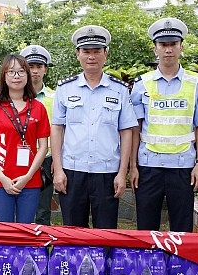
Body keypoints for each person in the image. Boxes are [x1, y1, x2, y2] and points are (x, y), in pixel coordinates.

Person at [51, 25, 138, 229]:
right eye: (86, 51)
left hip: (107, 172)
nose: (91, 57)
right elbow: (57, 128)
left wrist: (122, 173)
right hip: (72, 171)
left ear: (105, 54)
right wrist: (58, 169)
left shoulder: (119, 90)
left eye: (97, 51)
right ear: (78, 54)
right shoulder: (65, 88)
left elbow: (126, 132)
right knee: (73, 233)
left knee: (105, 233)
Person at [130, 18, 198, 233]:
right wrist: (133, 166)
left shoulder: (195, 83)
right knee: (146, 230)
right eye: (163, 45)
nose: (168, 50)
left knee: (182, 231)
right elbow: (135, 129)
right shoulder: (142, 84)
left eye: (173, 44)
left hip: (183, 166)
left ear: (181, 47)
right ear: (155, 48)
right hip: (149, 165)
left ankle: (179, 259)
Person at [0, 54, 50, 223]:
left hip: (30, 180)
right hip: (1, 179)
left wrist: (27, 176)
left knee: (25, 230)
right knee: (4, 229)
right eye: (11, 72)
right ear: (4, 76)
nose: (16, 76)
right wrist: (2, 177)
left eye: (21, 71)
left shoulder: (38, 108)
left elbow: (43, 146)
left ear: (27, 75)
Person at [19, 44, 56, 225]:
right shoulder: (14, 97)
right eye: (30, 66)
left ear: (45, 69)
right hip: (19, 157)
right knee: (20, 205)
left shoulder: (54, 97)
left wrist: (57, 159)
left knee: (43, 208)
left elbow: (59, 130)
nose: (34, 71)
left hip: (46, 158)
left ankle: (42, 240)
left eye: (39, 66)